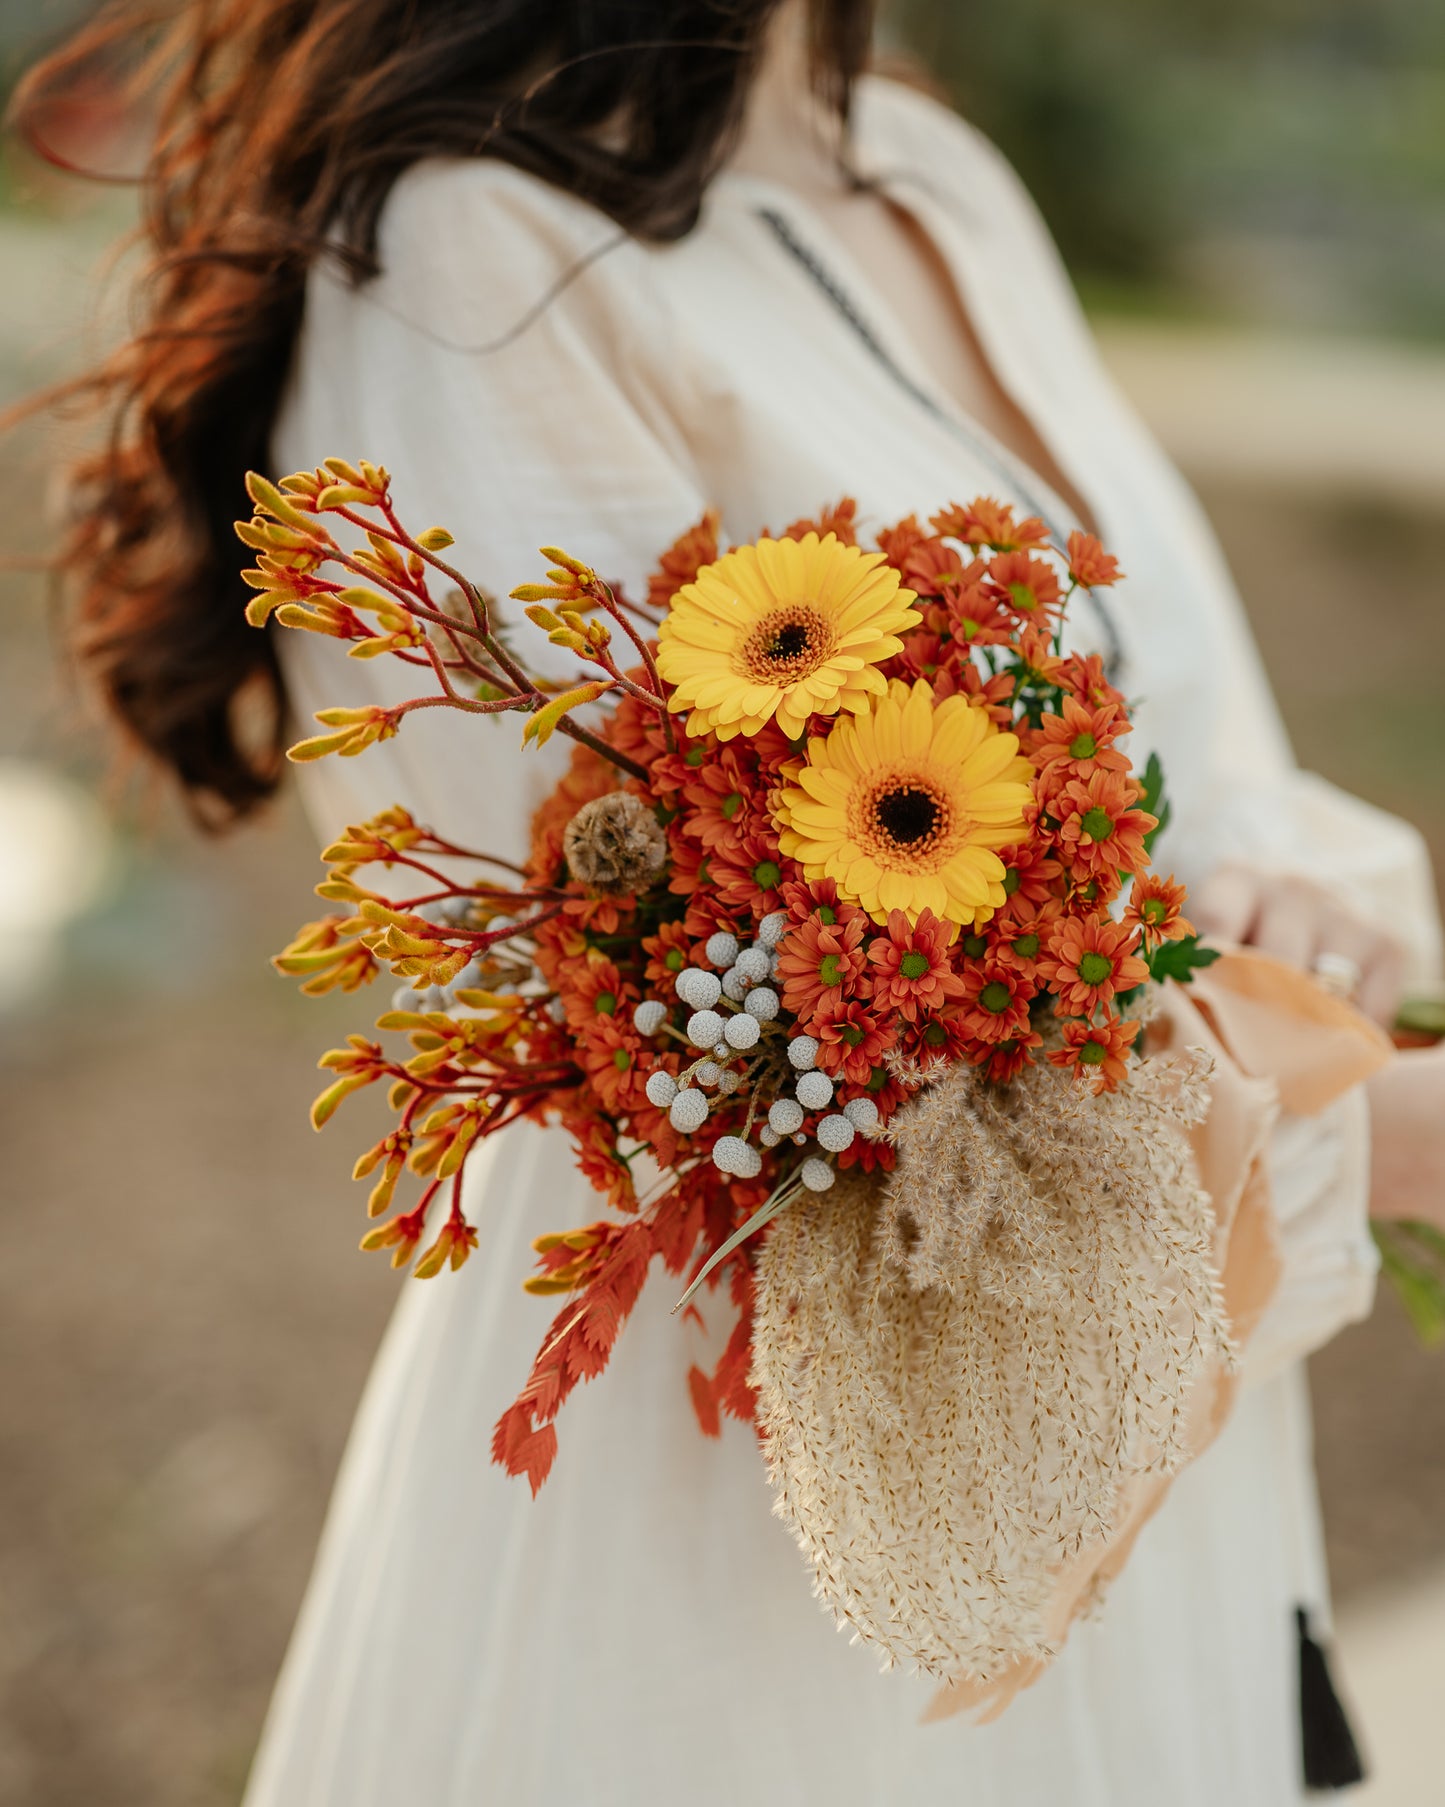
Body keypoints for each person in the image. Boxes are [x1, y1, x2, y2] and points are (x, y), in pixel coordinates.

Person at [14, 2, 1445, 1801]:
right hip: (755, 1555)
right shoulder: (472, 251)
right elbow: (721, 1076)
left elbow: (1202, 757)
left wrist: (1310, 923)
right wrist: (1368, 1133)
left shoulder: (927, 170)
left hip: (1158, 1468)